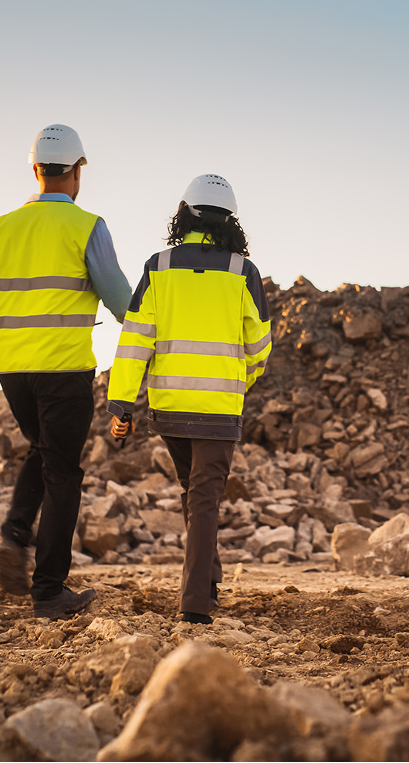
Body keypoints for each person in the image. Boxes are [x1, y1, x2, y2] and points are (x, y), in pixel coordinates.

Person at [107, 174, 271, 624]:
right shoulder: (243, 272)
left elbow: (135, 339)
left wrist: (121, 402)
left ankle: (209, 579)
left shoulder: (158, 266)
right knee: (203, 500)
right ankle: (195, 604)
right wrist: (240, 381)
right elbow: (259, 347)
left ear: (184, 214)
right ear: (230, 222)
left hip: (171, 408)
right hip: (220, 409)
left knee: (194, 494)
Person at [0, 124, 130, 620]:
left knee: (44, 451)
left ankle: (14, 535)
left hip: (10, 368)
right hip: (64, 366)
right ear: (78, 171)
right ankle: (48, 590)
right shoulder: (87, 226)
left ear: (35, 170)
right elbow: (120, 301)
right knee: (64, 472)